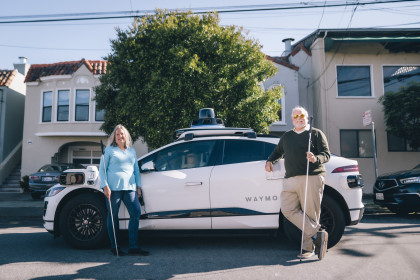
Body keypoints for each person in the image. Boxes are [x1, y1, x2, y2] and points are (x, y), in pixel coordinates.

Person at [265, 106, 331, 260]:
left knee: (310, 213)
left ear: (307, 117)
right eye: (295, 116)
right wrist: (270, 160)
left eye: (302, 115)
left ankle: (308, 249)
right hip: (290, 179)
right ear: (292, 119)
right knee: (287, 209)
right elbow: (277, 152)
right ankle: (317, 232)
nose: (299, 118)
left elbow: (326, 154)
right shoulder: (287, 136)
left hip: (311, 176)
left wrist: (316, 158)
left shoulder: (315, 133)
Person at [99, 124, 149, 256]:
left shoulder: (131, 151)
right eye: (117, 134)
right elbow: (102, 169)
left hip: (130, 188)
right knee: (113, 216)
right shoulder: (109, 150)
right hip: (113, 189)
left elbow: (136, 170)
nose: (120, 136)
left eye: (122, 134)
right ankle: (114, 246)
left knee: (136, 212)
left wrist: (138, 186)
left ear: (126, 136)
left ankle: (133, 247)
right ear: (114, 137)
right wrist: (105, 186)